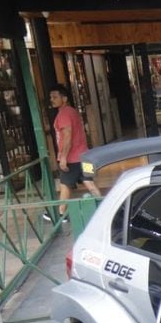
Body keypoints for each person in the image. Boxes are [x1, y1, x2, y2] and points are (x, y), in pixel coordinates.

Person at [44, 84, 102, 223]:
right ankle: (102, 207)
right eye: (51, 97)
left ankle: (61, 213)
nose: (51, 99)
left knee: (65, 185)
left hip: (73, 158)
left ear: (64, 99)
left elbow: (67, 136)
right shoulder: (72, 111)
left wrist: (63, 158)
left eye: (55, 97)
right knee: (89, 182)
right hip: (84, 156)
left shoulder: (63, 114)